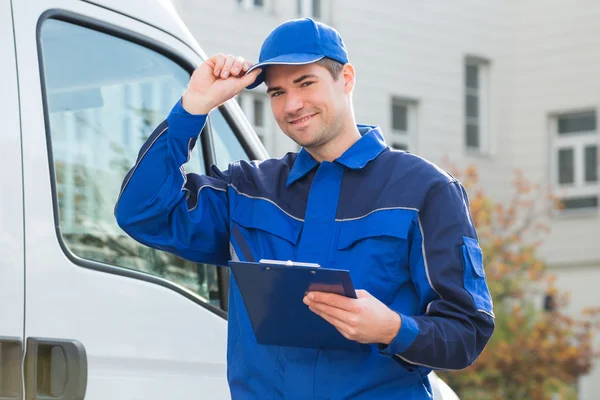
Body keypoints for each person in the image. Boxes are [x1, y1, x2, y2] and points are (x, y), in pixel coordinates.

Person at [115, 17, 494, 400]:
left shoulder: (424, 190)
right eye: (277, 92)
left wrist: (392, 328)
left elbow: (466, 332)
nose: (292, 105)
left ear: (346, 79)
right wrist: (193, 107)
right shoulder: (249, 188)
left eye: (305, 83)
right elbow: (143, 212)